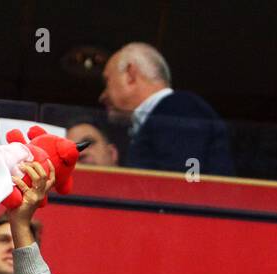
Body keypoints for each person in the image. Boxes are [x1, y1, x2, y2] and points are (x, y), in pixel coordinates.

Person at [100, 42, 233, 177]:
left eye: (107, 81)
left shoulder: (180, 108)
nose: (102, 96)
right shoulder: (166, 115)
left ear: (130, 74)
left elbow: (187, 180)